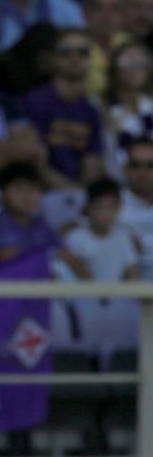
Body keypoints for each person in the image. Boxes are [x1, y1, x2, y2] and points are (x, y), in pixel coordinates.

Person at [21, 28, 106, 190]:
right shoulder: (35, 101)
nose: (75, 58)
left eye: (82, 52)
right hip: (41, 193)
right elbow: (36, 163)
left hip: (80, 194)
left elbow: (92, 163)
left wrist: (82, 195)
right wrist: (73, 193)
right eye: (66, 52)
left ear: (91, 59)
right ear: (53, 58)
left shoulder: (91, 111)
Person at [63, 177, 140, 281]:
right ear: (88, 208)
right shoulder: (75, 239)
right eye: (99, 207)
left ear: (119, 208)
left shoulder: (124, 236)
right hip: (84, 291)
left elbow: (133, 273)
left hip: (117, 291)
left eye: (111, 207)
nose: (105, 214)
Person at [103, 40, 153, 178]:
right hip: (115, 180)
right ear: (114, 69)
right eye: (126, 63)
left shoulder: (150, 105)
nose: (134, 70)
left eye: (140, 64)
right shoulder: (99, 106)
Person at [119, 137, 153, 279]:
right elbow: (72, 229)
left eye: (151, 165)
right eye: (136, 165)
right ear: (126, 169)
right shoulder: (111, 203)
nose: (143, 172)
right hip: (128, 287)